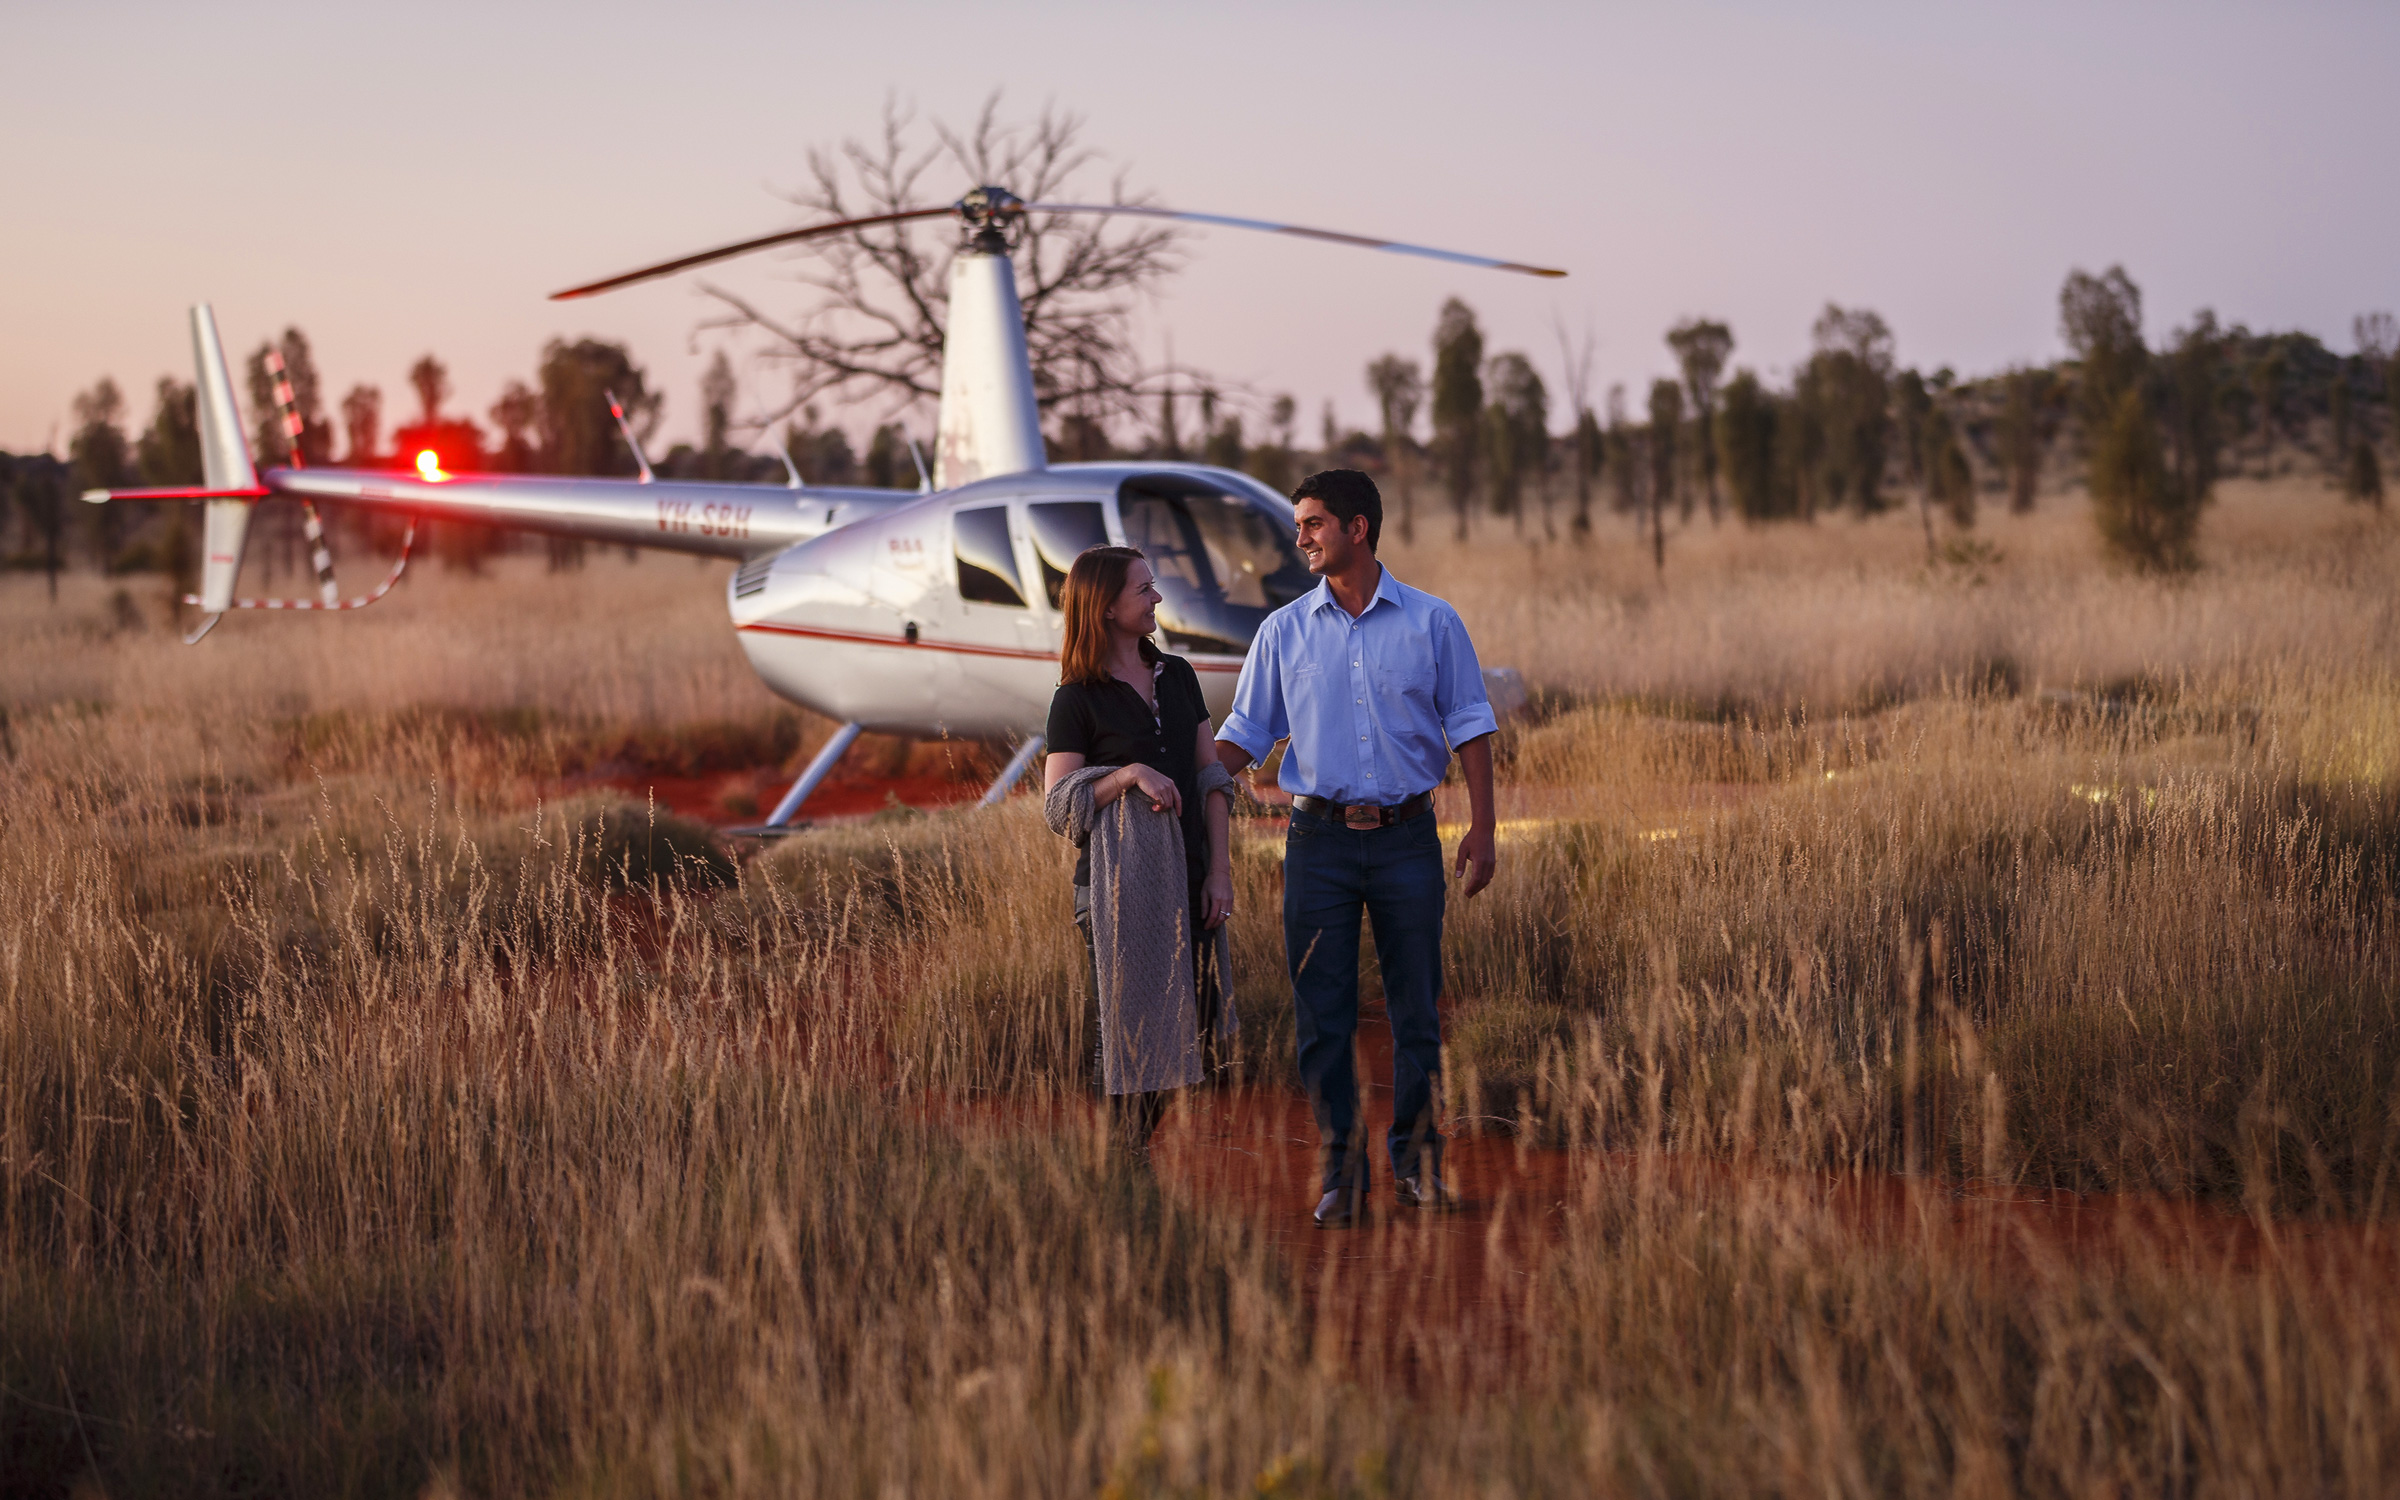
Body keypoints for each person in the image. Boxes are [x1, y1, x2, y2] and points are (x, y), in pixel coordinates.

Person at [1214, 470, 1497, 1228]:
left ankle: (1418, 1165)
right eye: (1302, 524)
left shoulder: (1433, 623)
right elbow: (1246, 733)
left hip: (1410, 840)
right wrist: (1186, 778)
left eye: (1313, 524)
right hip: (1317, 845)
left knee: (1416, 1012)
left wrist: (1485, 827)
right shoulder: (1282, 632)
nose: (1300, 536)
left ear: (1358, 528)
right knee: (1324, 1016)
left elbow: (1470, 723)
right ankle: (1344, 1177)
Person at [1041, 545, 1237, 1162]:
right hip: (1114, 889)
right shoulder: (1075, 697)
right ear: (1105, 607)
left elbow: (1212, 779)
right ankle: (1122, 1162)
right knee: (1129, 1033)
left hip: (1192, 876)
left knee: (1194, 1026)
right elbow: (1059, 805)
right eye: (1143, 589)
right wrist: (1128, 775)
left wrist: (1221, 873)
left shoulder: (1177, 675)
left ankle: (1128, 1154)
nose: (1155, 598)